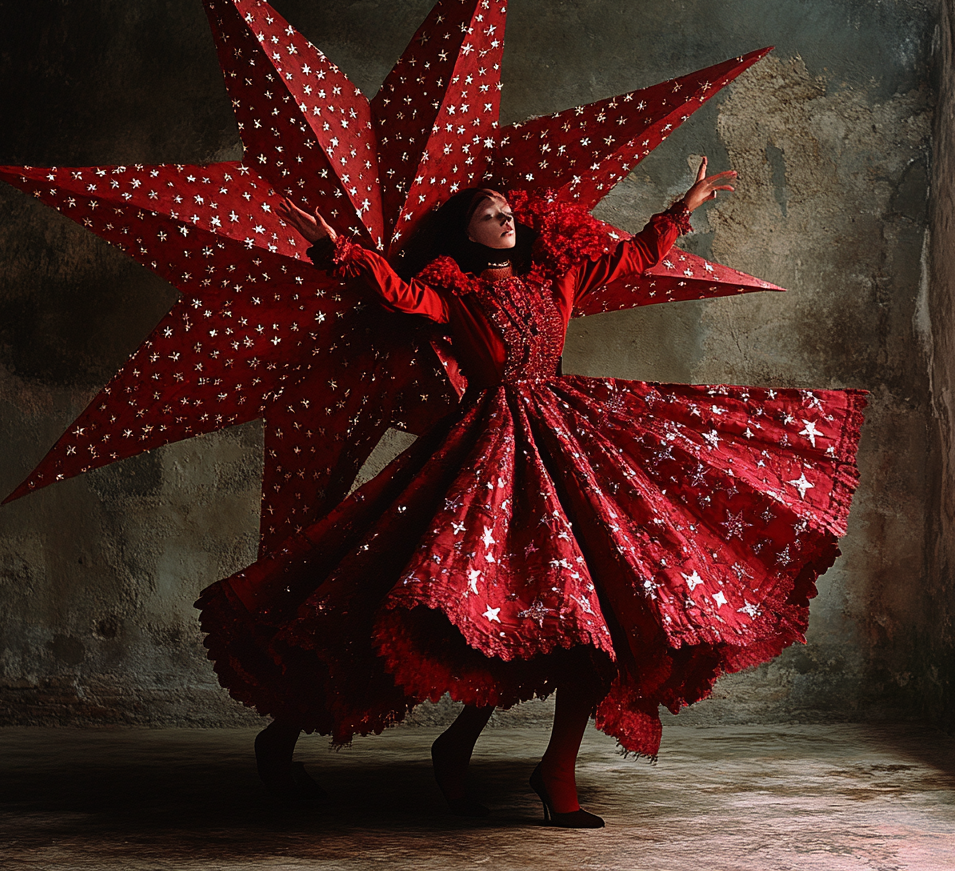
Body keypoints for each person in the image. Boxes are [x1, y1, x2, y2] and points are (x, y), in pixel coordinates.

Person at [195, 158, 865, 828]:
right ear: (467, 236)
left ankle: (550, 768)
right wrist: (334, 247)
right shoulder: (452, 291)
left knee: (590, 616)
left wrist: (684, 205)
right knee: (382, 592)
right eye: (486, 214)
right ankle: (295, 736)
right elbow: (397, 292)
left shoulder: (558, 278)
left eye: (506, 209)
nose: (502, 218)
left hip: (568, 443)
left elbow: (632, 256)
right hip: (487, 454)